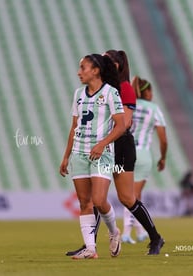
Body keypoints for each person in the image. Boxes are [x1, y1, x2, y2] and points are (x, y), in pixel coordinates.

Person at [66, 50, 164, 256]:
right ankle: (90, 245)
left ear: (117, 65)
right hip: (99, 146)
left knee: (127, 198)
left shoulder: (124, 89)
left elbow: (125, 123)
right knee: (96, 198)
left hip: (121, 147)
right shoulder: (97, 90)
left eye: (108, 60)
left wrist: (102, 141)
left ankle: (155, 237)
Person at [60, 53, 125, 259]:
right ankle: (91, 249)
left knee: (98, 200)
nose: (79, 72)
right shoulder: (79, 93)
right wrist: (66, 156)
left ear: (95, 70)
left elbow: (121, 124)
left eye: (83, 68)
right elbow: (74, 127)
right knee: (84, 202)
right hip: (79, 153)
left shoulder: (110, 93)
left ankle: (114, 232)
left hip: (102, 154)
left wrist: (102, 144)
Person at [121, 76, 168, 244]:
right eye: (151, 91)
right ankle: (126, 232)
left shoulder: (129, 105)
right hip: (142, 154)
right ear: (147, 91)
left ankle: (139, 231)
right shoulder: (153, 109)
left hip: (126, 150)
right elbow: (163, 139)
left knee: (131, 196)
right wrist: (163, 158)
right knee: (132, 196)